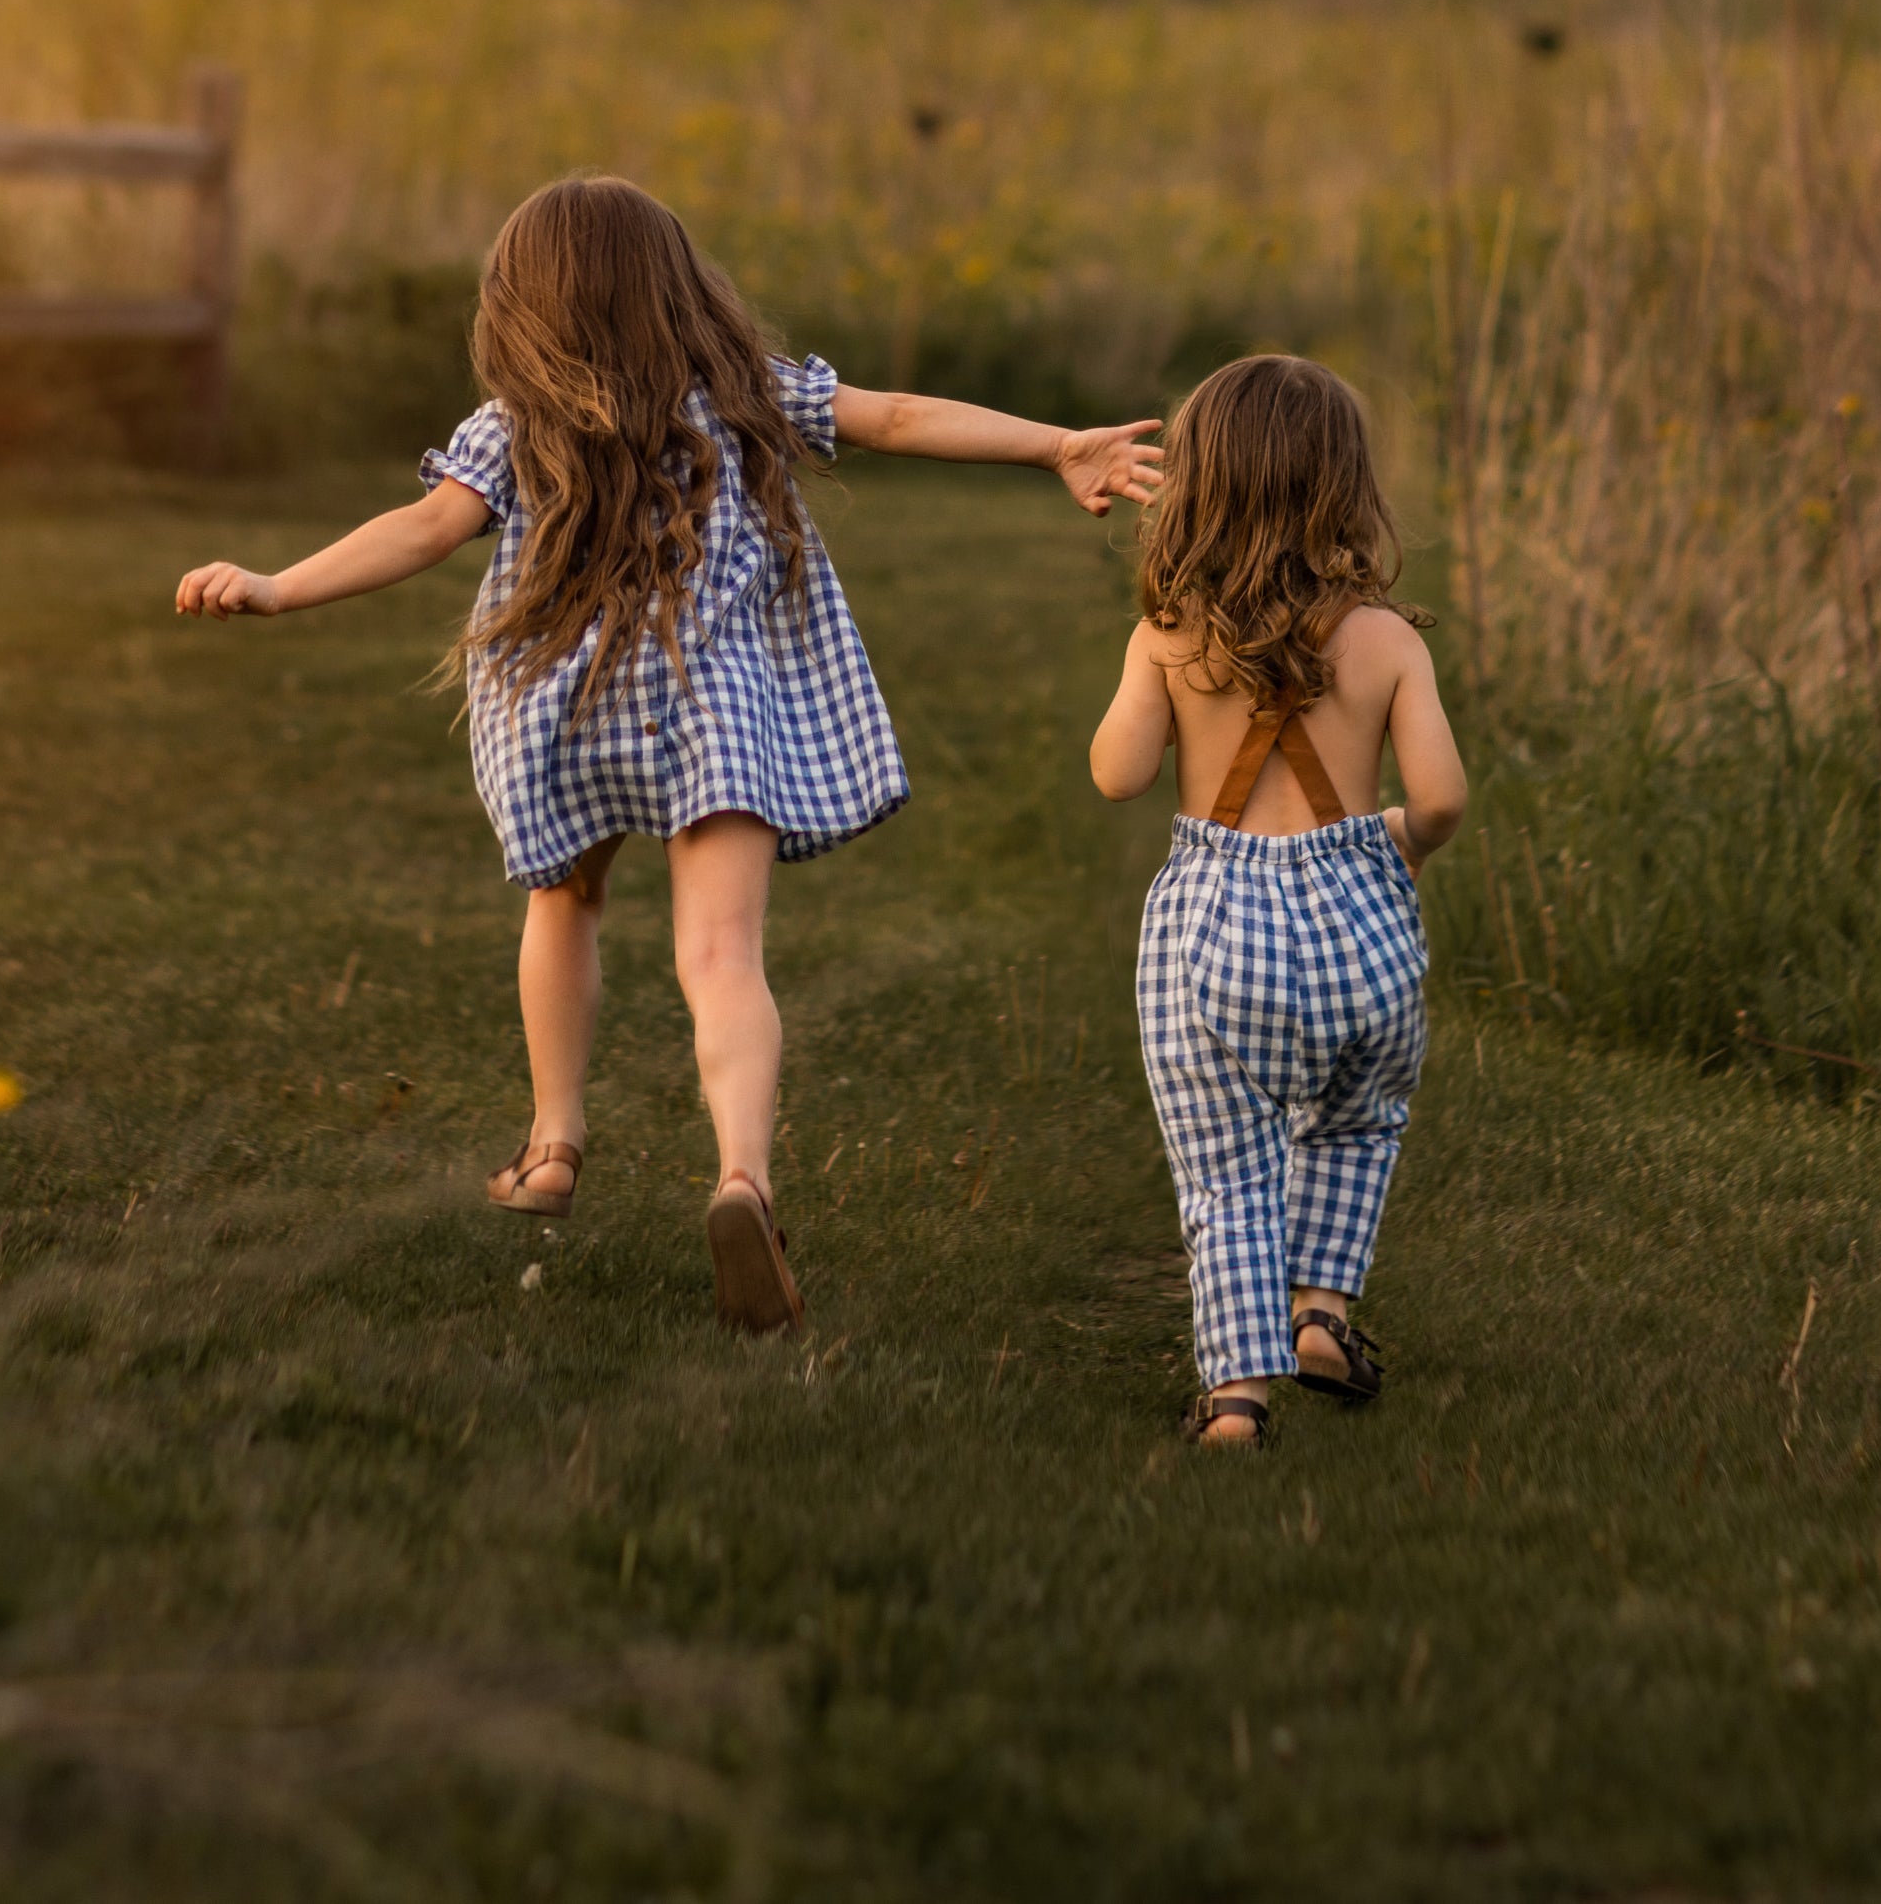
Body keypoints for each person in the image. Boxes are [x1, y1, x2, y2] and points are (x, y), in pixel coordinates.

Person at [176, 175, 1161, 1335]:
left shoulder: (517, 425)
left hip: (567, 707)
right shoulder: (744, 398)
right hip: (714, 711)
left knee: (566, 904)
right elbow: (895, 417)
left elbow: (424, 527)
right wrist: (1058, 444)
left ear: (523, 308)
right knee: (719, 955)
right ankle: (742, 1176)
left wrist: (278, 584)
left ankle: (552, 1147)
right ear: (680, 290)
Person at [1086, 352, 1466, 1446]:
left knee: (1226, 1163)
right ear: (1343, 486)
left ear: (1200, 486)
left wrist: (1146, 675)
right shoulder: (1386, 640)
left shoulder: (1168, 633)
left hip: (1215, 935)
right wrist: (1393, 843)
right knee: (1355, 1121)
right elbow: (1438, 799)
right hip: (1363, 932)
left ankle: (1237, 1398)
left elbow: (1116, 774)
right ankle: (1321, 1314)